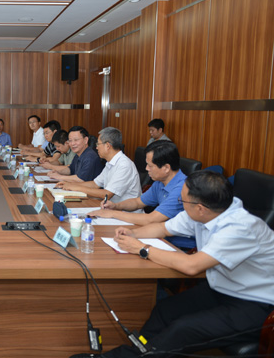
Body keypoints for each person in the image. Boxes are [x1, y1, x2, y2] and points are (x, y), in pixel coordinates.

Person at [70, 171, 274, 358]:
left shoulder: (240, 228)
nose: (180, 203)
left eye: (182, 200)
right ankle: (138, 351)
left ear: (200, 208)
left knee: (183, 329)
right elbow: (163, 229)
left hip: (258, 305)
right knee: (164, 311)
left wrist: (142, 249)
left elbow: (191, 266)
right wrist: (132, 234)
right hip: (222, 288)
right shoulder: (208, 209)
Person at [88, 141, 186, 225]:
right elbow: (138, 202)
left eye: (150, 166)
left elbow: (151, 219)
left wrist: (112, 214)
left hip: (174, 241)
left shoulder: (182, 189)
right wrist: (115, 206)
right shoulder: (160, 182)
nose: (146, 169)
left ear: (166, 168)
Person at [56, 127, 141, 203]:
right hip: (111, 208)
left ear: (107, 146)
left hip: (124, 213)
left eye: (98, 144)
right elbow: (95, 184)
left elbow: (107, 194)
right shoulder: (110, 163)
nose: (96, 147)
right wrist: (70, 185)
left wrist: (76, 188)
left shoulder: (124, 165)